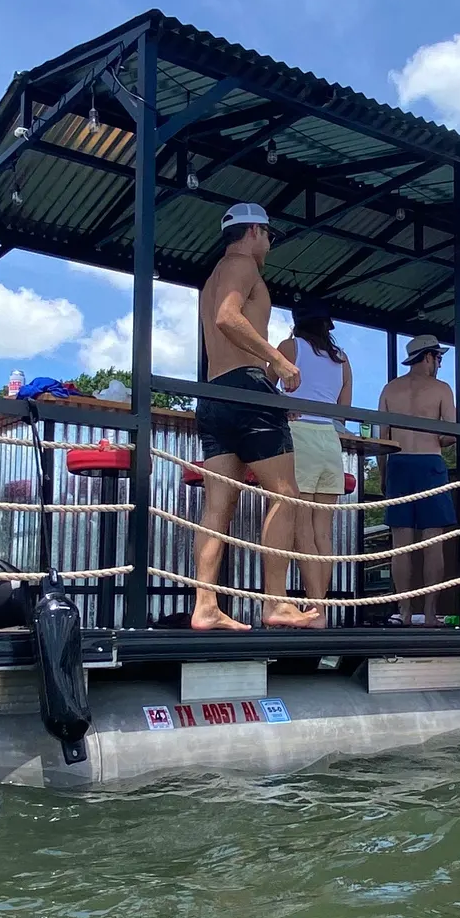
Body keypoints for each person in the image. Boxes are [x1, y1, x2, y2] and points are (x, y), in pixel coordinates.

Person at [192, 204, 319, 632]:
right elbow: (228, 318)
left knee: (217, 506)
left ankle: (206, 605)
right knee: (286, 494)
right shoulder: (242, 264)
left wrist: (271, 380)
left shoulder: (212, 276)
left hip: (215, 393)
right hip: (246, 391)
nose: (270, 244)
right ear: (253, 232)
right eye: (269, 235)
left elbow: (230, 336)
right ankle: (277, 603)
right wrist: (279, 363)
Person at [377, 333, 457, 621]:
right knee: (432, 542)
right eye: (438, 358)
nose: (439, 363)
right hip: (429, 464)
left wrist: (384, 476)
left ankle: (406, 611)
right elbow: (450, 434)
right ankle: (431, 613)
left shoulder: (390, 389)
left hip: (397, 463)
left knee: (401, 545)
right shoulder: (441, 389)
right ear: (428, 357)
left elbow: (382, 439)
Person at [277, 307, 352, 615]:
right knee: (323, 531)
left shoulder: (289, 347)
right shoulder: (342, 358)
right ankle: (319, 610)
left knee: (302, 528)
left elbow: (263, 386)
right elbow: (343, 408)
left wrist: (285, 408)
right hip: (330, 442)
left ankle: (313, 608)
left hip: (300, 435)